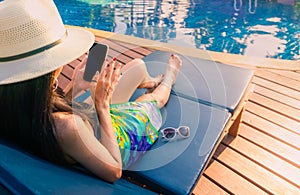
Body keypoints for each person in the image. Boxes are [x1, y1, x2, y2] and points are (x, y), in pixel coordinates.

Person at [0, 0, 182, 182]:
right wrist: (102, 105)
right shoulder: (67, 127)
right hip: (114, 142)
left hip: (90, 129)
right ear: (52, 70)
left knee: (136, 66)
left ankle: (147, 80)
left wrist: (75, 86)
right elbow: (114, 171)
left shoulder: (12, 104)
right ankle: (168, 78)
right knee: (149, 101)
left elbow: (45, 114)